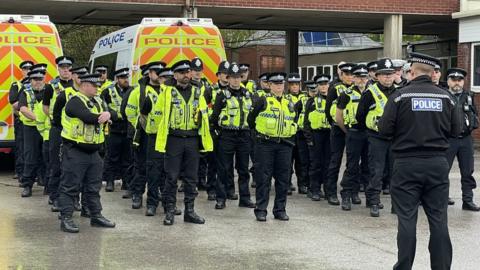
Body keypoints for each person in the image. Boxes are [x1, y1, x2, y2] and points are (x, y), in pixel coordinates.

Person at [378, 52, 461, 270]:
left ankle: (404, 267)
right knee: (439, 219)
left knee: (406, 219)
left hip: (406, 164)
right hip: (437, 164)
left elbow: (384, 129)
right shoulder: (447, 98)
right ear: (432, 74)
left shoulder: (399, 97)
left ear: (412, 73)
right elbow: (457, 130)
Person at [155, 59, 213, 225]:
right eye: (182, 73)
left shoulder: (197, 92)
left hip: (193, 139)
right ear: (175, 75)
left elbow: (204, 115)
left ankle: (190, 211)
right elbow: (158, 115)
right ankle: (170, 210)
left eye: (188, 72)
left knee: (191, 178)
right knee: (171, 177)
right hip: (174, 139)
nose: (186, 75)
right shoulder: (167, 92)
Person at [58, 73, 116, 233]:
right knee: (70, 186)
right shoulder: (74, 101)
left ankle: (96, 215)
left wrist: (109, 114)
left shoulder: (98, 100)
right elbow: (88, 117)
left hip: (94, 152)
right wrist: (103, 115)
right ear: (84, 85)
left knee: (93, 186)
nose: (98, 88)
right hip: (75, 151)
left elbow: (115, 115)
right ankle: (66, 218)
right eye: (95, 85)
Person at [248, 72, 297, 222]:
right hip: (265, 144)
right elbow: (251, 120)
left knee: (283, 179)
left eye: (281, 84)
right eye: (275, 84)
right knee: (264, 178)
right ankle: (261, 210)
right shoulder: (263, 100)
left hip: (284, 145)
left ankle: (280, 210)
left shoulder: (289, 102)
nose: (279, 87)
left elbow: (293, 120)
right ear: (269, 85)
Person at [210, 62, 255, 210]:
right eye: (233, 77)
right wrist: (219, 134)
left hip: (244, 135)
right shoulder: (221, 95)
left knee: (243, 169)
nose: (236, 80)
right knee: (223, 168)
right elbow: (214, 117)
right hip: (227, 135)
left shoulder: (248, 94)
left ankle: (245, 198)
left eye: (238, 77)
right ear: (227, 78)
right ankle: (221, 198)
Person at [356, 58, 397, 217]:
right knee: (376, 171)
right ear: (377, 76)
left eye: (390, 74)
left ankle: (396, 204)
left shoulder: (400, 91)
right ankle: (373, 202)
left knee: (396, 173)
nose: (387, 77)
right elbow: (360, 116)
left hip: (395, 139)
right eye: (384, 74)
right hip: (376, 138)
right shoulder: (370, 92)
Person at [125, 61, 165, 209]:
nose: (159, 76)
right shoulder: (139, 91)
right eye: (156, 72)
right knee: (140, 166)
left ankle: (160, 193)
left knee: (161, 167)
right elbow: (129, 112)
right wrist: (143, 122)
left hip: (161, 135)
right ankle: (137, 194)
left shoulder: (166, 90)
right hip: (143, 134)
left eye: (161, 73)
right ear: (149, 74)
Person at [444, 68, 480, 211]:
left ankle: (468, 200)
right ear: (448, 81)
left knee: (467, 172)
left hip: (466, 139)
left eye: (460, 80)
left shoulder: (469, 96)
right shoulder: (443, 96)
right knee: (443, 171)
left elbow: (474, 115)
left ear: (463, 81)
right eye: (453, 80)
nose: (457, 83)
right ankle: (442, 198)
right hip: (448, 139)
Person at [337, 64, 370, 210]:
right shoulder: (346, 94)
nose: (361, 80)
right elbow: (339, 116)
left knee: (368, 166)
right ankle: (346, 194)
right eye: (358, 77)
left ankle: (359, 194)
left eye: (364, 77)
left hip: (369, 134)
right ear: (354, 78)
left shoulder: (372, 93)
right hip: (354, 132)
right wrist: (348, 131)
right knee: (352, 166)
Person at [43, 56, 74, 209]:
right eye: (63, 67)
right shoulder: (51, 86)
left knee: (73, 166)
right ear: (58, 69)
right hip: (58, 129)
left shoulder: (77, 85)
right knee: (56, 164)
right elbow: (45, 107)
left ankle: (73, 198)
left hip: (74, 131)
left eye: (68, 67)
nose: (66, 70)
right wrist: (54, 119)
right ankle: (55, 197)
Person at [324, 62, 355, 205]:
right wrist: (337, 125)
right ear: (341, 75)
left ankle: (351, 191)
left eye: (351, 74)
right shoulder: (335, 88)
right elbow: (328, 111)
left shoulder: (358, 89)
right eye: (346, 74)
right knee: (335, 161)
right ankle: (330, 192)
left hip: (353, 129)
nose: (349, 77)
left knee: (353, 161)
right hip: (338, 129)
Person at [18, 66, 51, 197]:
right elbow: (23, 108)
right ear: (30, 80)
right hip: (30, 129)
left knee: (47, 157)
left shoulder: (50, 91)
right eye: (35, 79)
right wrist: (38, 119)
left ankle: (47, 185)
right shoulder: (25, 91)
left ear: (44, 79)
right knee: (30, 157)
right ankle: (27, 185)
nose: (38, 81)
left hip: (46, 130)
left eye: (40, 79)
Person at [101, 68, 133, 192]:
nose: (126, 80)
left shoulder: (131, 91)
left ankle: (126, 182)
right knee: (111, 156)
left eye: (127, 78)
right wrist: (111, 113)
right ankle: (110, 181)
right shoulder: (107, 92)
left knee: (127, 157)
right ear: (117, 79)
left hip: (127, 128)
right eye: (123, 78)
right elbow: (104, 106)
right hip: (113, 128)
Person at [303, 75, 331, 200]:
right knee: (315, 163)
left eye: (325, 84)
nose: (323, 86)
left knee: (328, 164)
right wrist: (309, 138)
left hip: (330, 135)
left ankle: (327, 189)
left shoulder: (334, 99)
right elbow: (306, 122)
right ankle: (314, 189)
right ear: (317, 86)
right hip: (316, 135)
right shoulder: (312, 101)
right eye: (321, 84)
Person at [9, 60, 33, 182]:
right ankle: (20, 171)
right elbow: (14, 103)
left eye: (30, 69)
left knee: (34, 149)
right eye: (25, 69)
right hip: (21, 120)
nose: (28, 71)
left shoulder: (38, 84)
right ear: (22, 71)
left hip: (36, 121)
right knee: (21, 147)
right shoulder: (16, 85)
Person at [286, 73, 306, 194]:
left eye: (296, 84)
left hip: (301, 133)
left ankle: (302, 184)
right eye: (292, 85)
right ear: (288, 86)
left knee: (301, 161)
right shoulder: (285, 98)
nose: (294, 87)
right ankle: (287, 184)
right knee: (288, 161)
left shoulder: (304, 97)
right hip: (289, 133)